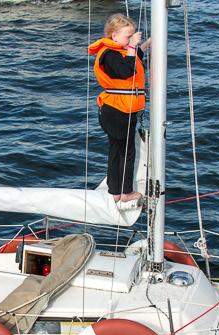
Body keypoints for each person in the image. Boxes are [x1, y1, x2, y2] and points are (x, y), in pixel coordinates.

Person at [88, 14, 152, 204]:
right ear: (114, 36)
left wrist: (146, 44)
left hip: (121, 109)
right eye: (128, 36)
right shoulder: (109, 54)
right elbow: (126, 70)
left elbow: (132, 60)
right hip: (116, 111)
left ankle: (115, 191)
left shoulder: (118, 52)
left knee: (117, 150)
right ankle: (124, 193)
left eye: (133, 35)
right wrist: (133, 46)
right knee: (125, 151)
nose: (131, 40)